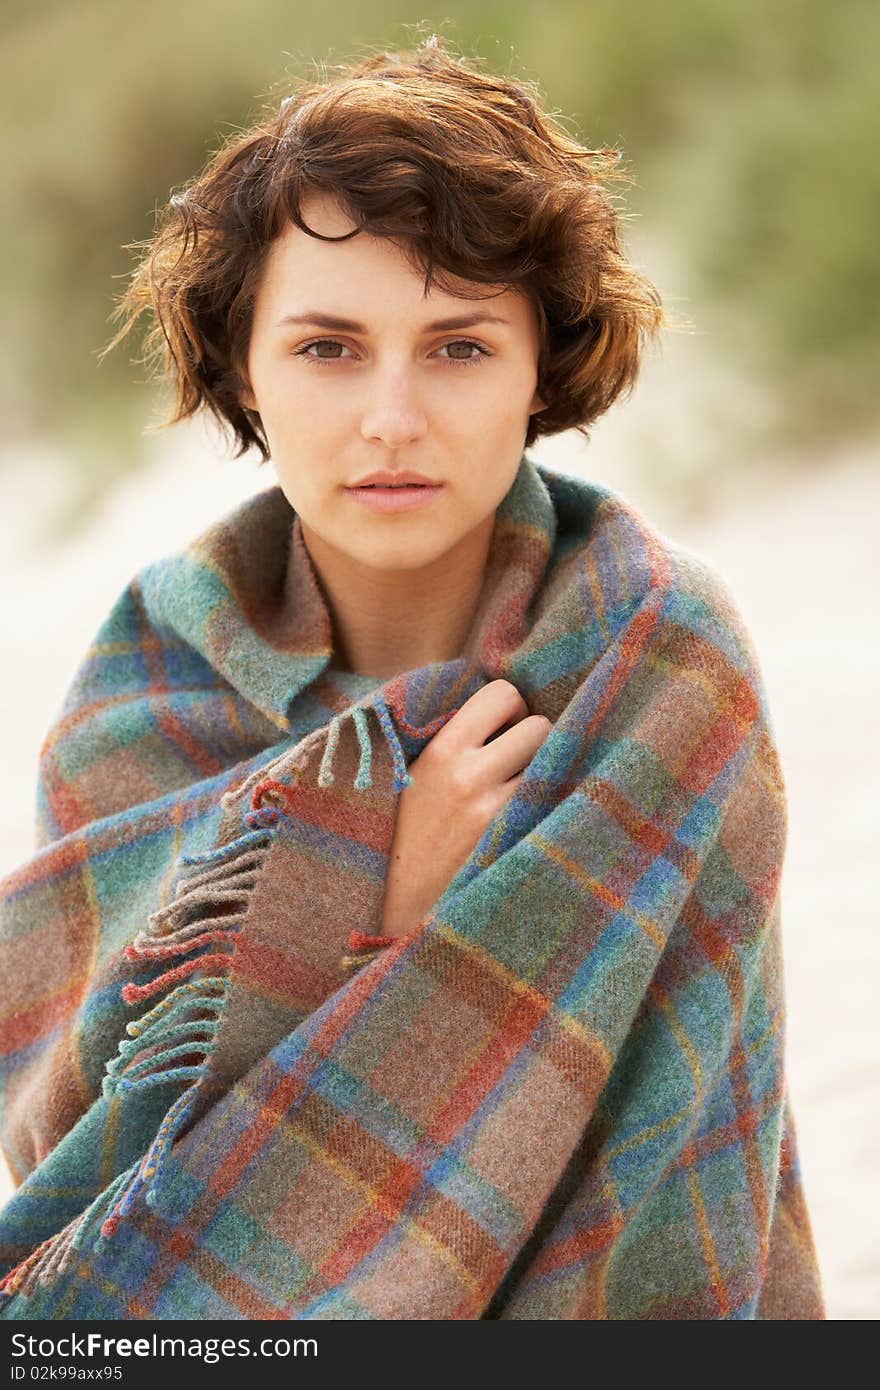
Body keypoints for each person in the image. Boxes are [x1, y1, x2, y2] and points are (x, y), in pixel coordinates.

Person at [0, 36, 824, 1319]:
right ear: (243, 369)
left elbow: (689, 1125)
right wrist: (361, 872)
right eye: (329, 348)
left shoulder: (656, 659)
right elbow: (69, 1136)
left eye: (457, 347)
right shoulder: (147, 690)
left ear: (539, 365)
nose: (391, 416)